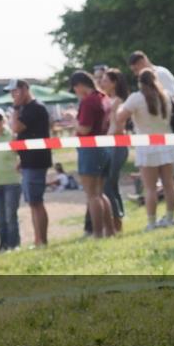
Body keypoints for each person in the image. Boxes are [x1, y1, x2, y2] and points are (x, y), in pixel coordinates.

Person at [116, 69, 174, 230]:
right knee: (169, 184)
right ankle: (170, 218)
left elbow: (120, 117)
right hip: (167, 143)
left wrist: (119, 107)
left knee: (150, 188)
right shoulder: (166, 95)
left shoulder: (136, 98)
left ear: (140, 82)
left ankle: (151, 223)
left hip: (147, 146)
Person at [7, 79, 52, 247]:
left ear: (25, 89)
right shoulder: (28, 108)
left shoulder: (35, 108)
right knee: (33, 202)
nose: (13, 96)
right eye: (11, 92)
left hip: (36, 160)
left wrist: (16, 108)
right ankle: (38, 240)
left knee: (36, 201)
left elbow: (16, 127)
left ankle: (42, 240)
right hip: (29, 160)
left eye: (16, 91)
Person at [70, 71, 115, 238]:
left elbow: (84, 128)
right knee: (101, 193)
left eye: (75, 89)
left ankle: (97, 233)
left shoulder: (88, 102)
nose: (76, 92)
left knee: (92, 195)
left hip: (90, 149)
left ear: (80, 85)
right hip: (104, 147)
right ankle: (109, 230)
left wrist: (73, 121)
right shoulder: (104, 97)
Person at [97, 68, 129, 233]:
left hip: (116, 145)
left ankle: (117, 222)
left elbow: (118, 127)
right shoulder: (109, 101)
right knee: (111, 185)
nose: (101, 83)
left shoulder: (117, 101)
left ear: (114, 82)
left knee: (109, 185)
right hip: (110, 145)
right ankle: (116, 220)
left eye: (105, 80)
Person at [0, 109, 21, 252]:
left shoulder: (11, 136)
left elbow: (20, 153)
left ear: (4, 120)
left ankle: (14, 244)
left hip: (12, 180)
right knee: (0, 217)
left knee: (11, 215)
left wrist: (20, 163)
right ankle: (3, 244)